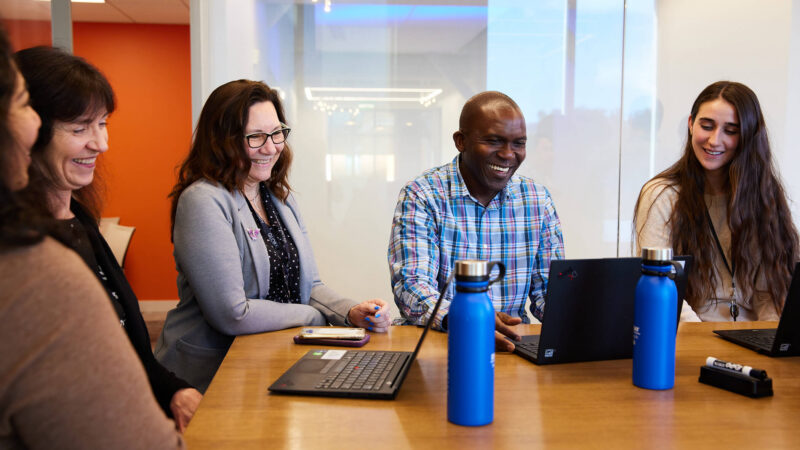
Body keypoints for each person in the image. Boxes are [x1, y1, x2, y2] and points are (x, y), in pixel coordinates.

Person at [0, 29, 184, 448]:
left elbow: (128, 347)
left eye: (102, 124)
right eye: (81, 127)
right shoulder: (32, 263)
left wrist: (175, 390)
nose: (101, 143)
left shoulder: (81, 219)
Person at [155, 79, 391, 392]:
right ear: (221, 140)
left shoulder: (279, 197)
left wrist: (350, 312)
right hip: (207, 375)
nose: (271, 147)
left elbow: (309, 285)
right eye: (255, 137)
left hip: (272, 357)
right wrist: (312, 318)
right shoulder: (203, 200)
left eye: (276, 133)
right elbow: (233, 314)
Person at [388, 91, 565, 351]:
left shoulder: (537, 199)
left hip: (513, 347)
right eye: (494, 141)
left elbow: (547, 291)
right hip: (443, 343)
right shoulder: (423, 194)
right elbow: (412, 286)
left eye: (518, 143)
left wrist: (580, 316)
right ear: (461, 141)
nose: (508, 154)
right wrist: (467, 320)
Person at [634, 81, 799, 321]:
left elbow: (770, 294)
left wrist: (769, 342)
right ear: (691, 125)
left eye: (730, 131)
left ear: (748, 136)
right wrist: (705, 340)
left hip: (748, 341)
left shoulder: (765, 195)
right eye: (707, 126)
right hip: (689, 335)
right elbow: (661, 288)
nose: (714, 140)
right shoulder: (662, 194)